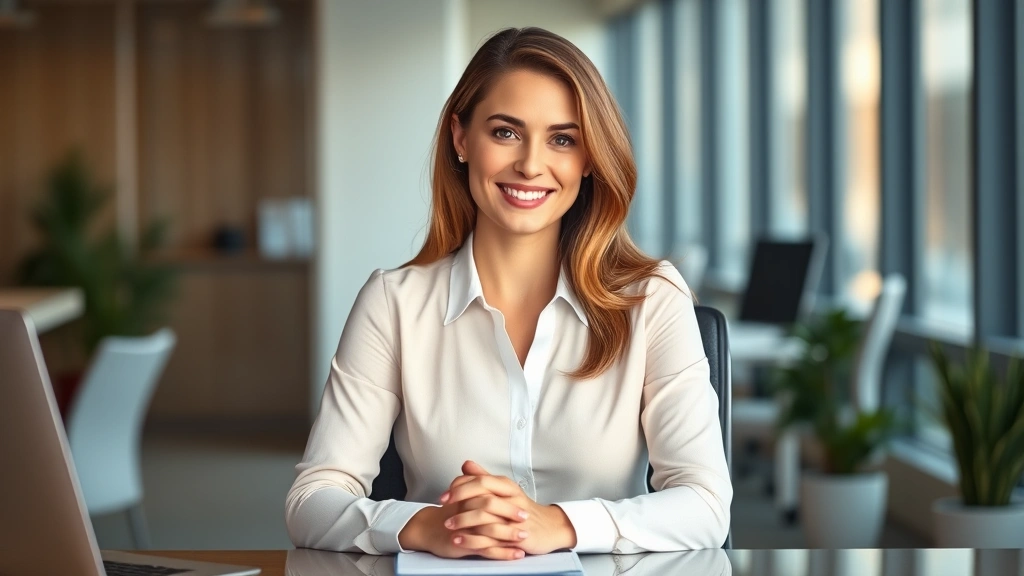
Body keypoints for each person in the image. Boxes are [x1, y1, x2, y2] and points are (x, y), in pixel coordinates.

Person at [285, 27, 732, 559]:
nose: (531, 165)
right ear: (461, 138)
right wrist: (427, 526)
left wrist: (557, 525)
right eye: (505, 132)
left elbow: (705, 505)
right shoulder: (393, 303)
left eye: (562, 139)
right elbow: (311, 500)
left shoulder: (652, 299)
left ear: (589, 158)